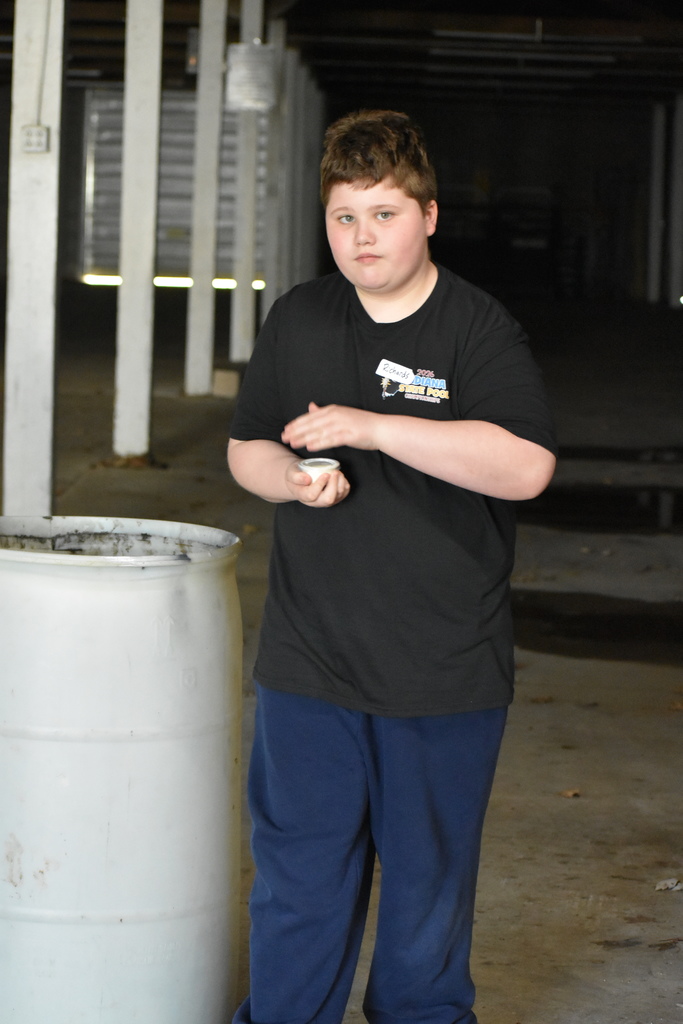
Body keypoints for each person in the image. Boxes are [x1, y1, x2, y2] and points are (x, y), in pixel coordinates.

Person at [228, 109, 557, 1024]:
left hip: (441, 670)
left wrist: (374, 427)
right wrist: (291, 480)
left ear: (428, 216)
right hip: (310, 661)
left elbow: (525, 467)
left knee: (426, 888)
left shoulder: (476, 330)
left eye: (383, 214)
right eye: (344, 217)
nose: (361, 237)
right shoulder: (299, 317)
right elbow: (247, 445)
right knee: (298, 877)